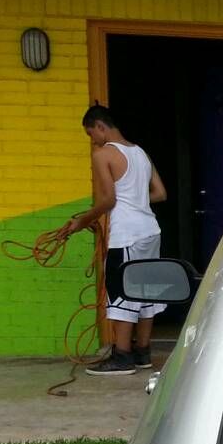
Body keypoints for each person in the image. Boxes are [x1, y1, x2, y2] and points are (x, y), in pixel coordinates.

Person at [60, 105, 168, 375]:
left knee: (121, 291)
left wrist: (81, 221)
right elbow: (160, 193)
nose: (92, 140)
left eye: (90, 134)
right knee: (145, 291)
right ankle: (142, 352)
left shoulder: (103, 154)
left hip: (127, 234)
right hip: (150, 231)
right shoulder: (140, 153)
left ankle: (122, 357)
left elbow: (107, 200)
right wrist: (136, 200)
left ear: (100, 126)